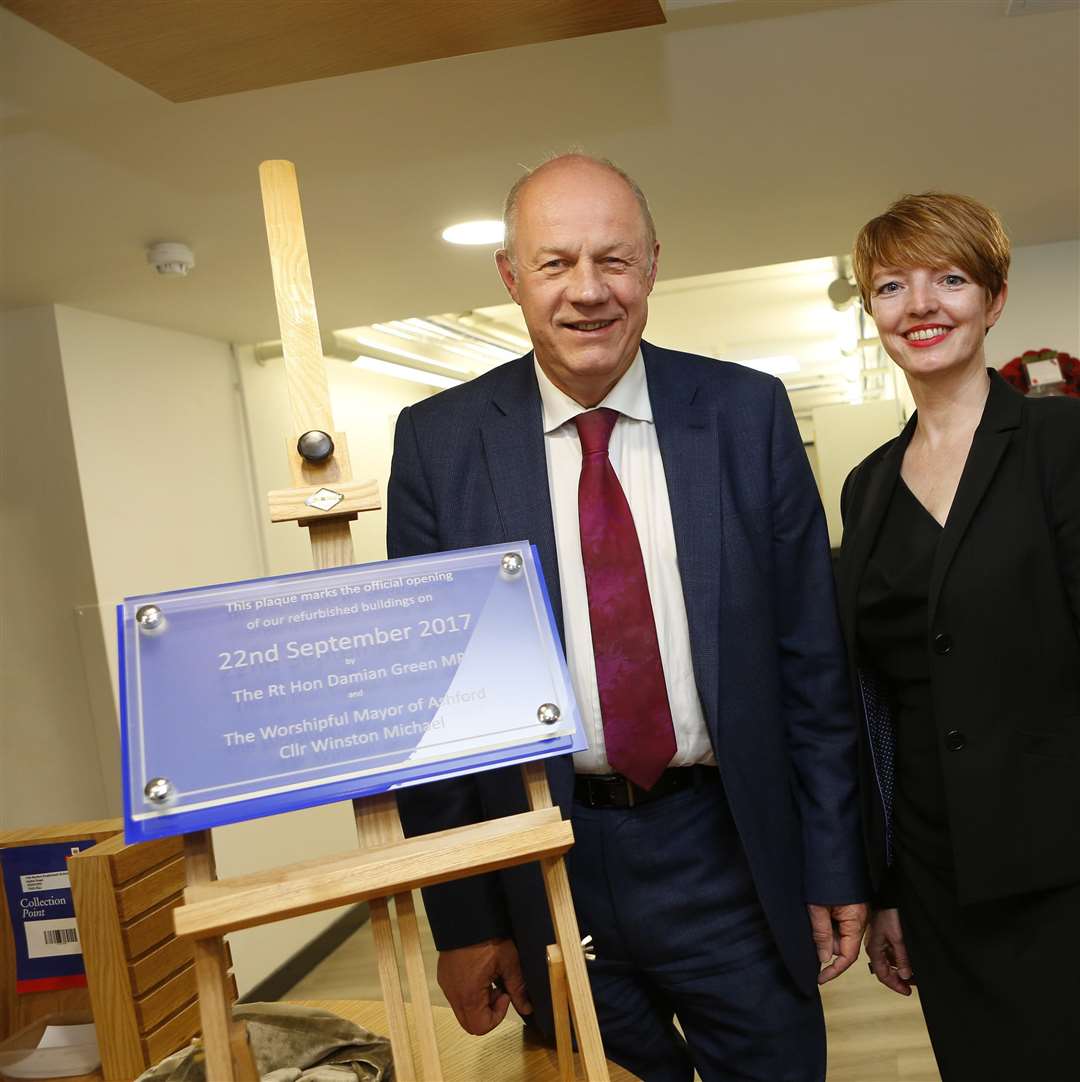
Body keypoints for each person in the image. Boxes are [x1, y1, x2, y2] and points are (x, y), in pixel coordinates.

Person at [387, 153, 867, 1082]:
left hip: (728, 849)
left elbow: (813, 663)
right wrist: (468, 918)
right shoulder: (441, 442)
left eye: (614, 260)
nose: (587, 291)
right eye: (556, 261)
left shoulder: (745, 413)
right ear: (511, 277)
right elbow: (433, 707)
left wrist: (832, 859)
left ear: (653, 266)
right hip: (552, 861)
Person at [838, 191, 1080, 1082]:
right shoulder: (865, 489)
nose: (921, 306)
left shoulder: (1062, 441)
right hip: (942, 875)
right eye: (892, 286)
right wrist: (891, 885)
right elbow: (877, 702)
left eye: (950, 279)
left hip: (1065, 858)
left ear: (995, 297)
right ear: (874, 313)